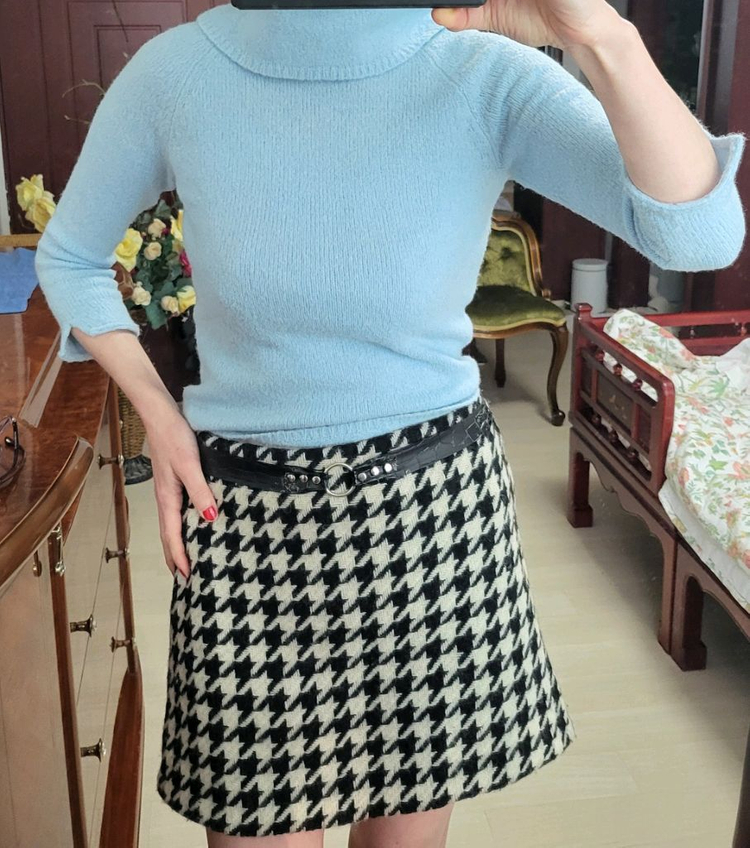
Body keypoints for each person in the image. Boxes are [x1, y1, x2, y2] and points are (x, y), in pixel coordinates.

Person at [34, 0, 745, 846]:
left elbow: (700, 236)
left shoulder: (483, 74)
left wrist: (603, 36)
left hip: (431, 515)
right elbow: (70, 256)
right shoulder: (175, 74)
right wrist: (159, 411)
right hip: (244, 518)